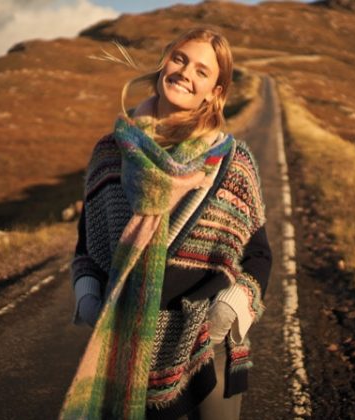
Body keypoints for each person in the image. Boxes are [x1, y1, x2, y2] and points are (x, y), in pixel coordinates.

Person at [60, 27, 271, 420]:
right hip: (124, 350)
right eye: (179, 59)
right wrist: (88, 298)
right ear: (163, 65)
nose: (185, 73)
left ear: (216, 93)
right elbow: (86, 248)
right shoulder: (111, 153)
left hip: (207, 346)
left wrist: (231, 306)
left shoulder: (231, 163)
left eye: (202, 71)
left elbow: (258, 255)